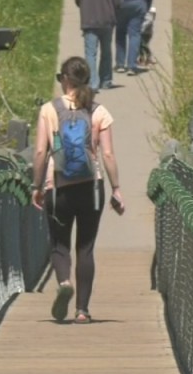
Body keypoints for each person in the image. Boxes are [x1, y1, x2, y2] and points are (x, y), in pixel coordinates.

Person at [31, 56, 125, 324]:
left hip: (58, 186)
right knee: (86, 247)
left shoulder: (49, 110)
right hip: (92, 187)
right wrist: (117, 188)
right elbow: (107, 154)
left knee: (60, 243)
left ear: (65, 79)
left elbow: (39, 151)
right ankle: (82, 310)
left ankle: (63, 281)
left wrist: (36, 186)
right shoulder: (98, 111)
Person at [74, 0, 124, 91]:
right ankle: (106, 80)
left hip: (89, 22)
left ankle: (92, 83)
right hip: (107, 22)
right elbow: (119, 2)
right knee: (106, 51)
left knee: (90, 53)